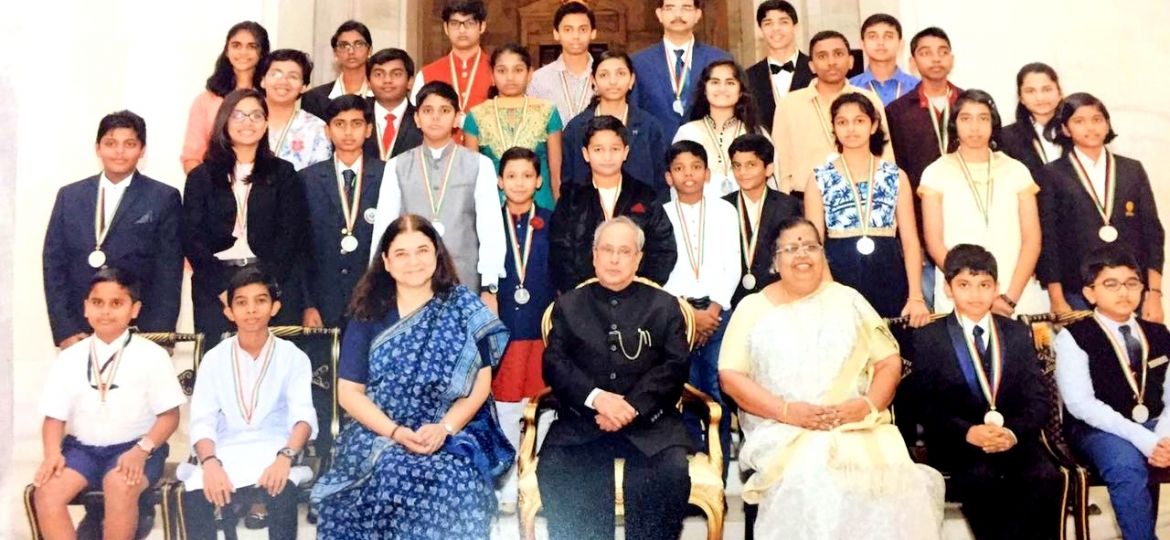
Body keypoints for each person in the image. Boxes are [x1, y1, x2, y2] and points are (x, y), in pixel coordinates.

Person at [719, 216, 944, 539]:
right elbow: (730, 377)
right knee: (816, 475)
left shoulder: (848, 299)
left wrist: (866, 405)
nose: (802, 255)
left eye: (810, 246)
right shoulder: (752, 308)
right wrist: (788, 412)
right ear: (774, 261)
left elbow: (889, 362)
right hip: (783, 427)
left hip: (856, 423)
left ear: (823, 255)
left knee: (895, 478)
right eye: (791, 248)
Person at [311, 215, 514, 539]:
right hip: (380, 429)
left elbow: (481, 384)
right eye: (402, 253)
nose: (413, 262)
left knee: (452, 480)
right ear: (386, 262)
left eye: (422, 250)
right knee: (389, 474)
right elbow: (349, 392)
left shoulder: (464, 308)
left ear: (437, 255)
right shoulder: (368, 314)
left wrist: (444, 429)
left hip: (453, 427)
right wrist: (395, 431)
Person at [538, 217, 693, 540]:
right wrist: (598, 399)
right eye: (606, 250)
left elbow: (675, 366)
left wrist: (633, 406)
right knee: (558, 467)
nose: (614, 259)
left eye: (624, 251)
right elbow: (555, 363)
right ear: (593, 255)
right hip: (583, 424)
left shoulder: (665, 307)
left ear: (639, 258)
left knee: (670, 471)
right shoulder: (567, 306)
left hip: (652, 424)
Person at [909, 244, 1064, 540]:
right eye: (964, 285)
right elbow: (923, 404)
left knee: (1046, 478)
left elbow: (1038, 399)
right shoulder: (930, 338)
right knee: (983, 480)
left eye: (984, 285)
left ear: (997, 288)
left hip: (1013, 439)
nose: (975, 294)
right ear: (948, 288)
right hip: (960, 443)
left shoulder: (1017, 333)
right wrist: (968, 432)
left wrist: (1013, 433)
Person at [32, 268, 185, 540]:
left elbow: (170, 416)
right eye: (97, 303)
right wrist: (52, 453)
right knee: (47, 492)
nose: (105, 311)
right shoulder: (69, 358)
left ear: (134, 309)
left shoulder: (152, 355)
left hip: (136, 447)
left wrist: (142, 450)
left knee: (120, 484)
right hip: (81, 450)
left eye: (117, 303)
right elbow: (54, 417)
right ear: (86, 308)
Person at [181, 268, 317, 540]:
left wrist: (285, 458)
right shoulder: (214, 358)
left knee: (282, 488)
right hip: (226, 448)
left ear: (275, 307)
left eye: (260, 300)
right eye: (241, 302)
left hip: (276, 447)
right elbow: (202, 419)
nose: (251, 310)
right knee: (196, 491)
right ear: (229, 312)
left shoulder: (294, 356)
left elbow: (303, 416)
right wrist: (209, 463)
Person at [1055, 247, 1170, 540]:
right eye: (1111, 284)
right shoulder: (1075, 336)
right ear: (1090, 293)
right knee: (1127, 467)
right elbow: (1081, 404)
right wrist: (1143, 438)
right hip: (1098, 429)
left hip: (1157, 425)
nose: (1124, 292)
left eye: (1132, 283)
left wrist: (1164, 437)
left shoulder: (1158, 333)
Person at [44, 111, 183, 349]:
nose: (119, 152)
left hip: (139, 328)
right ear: (98, 148)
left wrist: (159, 336)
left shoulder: (163, 197)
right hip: (80, 327)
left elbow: (168, 272)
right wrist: (65, 329)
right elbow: (54, 264)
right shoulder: (70, 196)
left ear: (142, 150)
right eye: (111, 143)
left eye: (129, 144)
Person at [182, 88, 309, 349]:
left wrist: (264, 288)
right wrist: (222, 289)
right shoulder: (202, 176)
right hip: (215, 286)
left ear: (265, 124)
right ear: (224, 122)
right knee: (220, 368)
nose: (247, 122)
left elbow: (292, 235)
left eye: (255, 115)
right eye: (238, 115)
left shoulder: (283, 173)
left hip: (269, 283)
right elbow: (192, 239)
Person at [370, 81, 506, 306]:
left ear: (456, 119)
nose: (435, 118)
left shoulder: (479, 164)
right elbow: (383, 229)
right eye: (427, 111)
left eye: (444, 111)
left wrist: (489, 286)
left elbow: (490, 230)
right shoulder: (396, 166)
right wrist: (378, 282)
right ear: (416, 119)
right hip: (408, 284)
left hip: (465, 282)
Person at [920, 89, 1047, 316]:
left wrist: (1008, 298)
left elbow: (1032, 240)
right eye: (966, 119)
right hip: (959, 296)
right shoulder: (936, 172)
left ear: (993, 123)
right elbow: (934, 243)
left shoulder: (1016, 170)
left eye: (983, 118)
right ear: (954, 124)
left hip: (1015, 295)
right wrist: (971, 291)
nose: (975, 127)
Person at [1038, 93, 1164, 320]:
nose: (1090, 127)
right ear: (1066, 129)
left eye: (1097, 119)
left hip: (1131, 288)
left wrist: (1154, 293)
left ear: (1107, 125)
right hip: (1077, 290)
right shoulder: (1053, 173)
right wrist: (1056, 297)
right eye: (1079, 121)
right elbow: (1049, 239)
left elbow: (1153, 233)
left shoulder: (1132, 169)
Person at [805, 93, 928, 323]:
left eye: (859, 120)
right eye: (842, 122)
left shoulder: (895, 176)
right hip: (839, 274)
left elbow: (910, 241)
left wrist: (916, 296)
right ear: (834, 128)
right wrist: (828, 288)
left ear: (873, 126)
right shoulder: (818, 178)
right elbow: (815, 243)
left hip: (889, 273)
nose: (851, 129)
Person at [661, 141, 740, 479]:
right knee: (685, 390)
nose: (688, 174)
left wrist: (714, 307)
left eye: (695, 166)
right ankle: (692, 478)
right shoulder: (660, 215)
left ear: (707, 173)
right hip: (677, 317)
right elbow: (657, 269)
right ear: (668, 176)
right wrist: (686, 312)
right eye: (679, 168)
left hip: (720, 313)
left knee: (717, 388)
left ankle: (718, 475)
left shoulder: (725, 211)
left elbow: (733, 264)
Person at [491, 147, 556, 510]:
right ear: (500, 182)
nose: (519, 183)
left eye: (527, 175)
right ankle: (508, 476)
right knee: (505, 405)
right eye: (511, 176)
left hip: (541, 327)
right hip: (505, 329)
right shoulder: (488, 220)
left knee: (540, 404)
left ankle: (534, 475)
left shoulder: (551, 220)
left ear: (539, 180)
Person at [549, 115, 677, 292]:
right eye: (598, 149)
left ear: (625, 152)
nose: (607, 157)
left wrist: (637, 289)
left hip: (636, 298)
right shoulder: (571, 199)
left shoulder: (644, 196)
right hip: (584, 300)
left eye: (614, 149)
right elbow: (559, 253)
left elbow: (663, 248)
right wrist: (582, 294)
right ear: (586, 154)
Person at [771, 30, 889, 196]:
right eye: (822, 56)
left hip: (861, 197)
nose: (831, 62)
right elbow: (780, 162)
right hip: (803, 198)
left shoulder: (869, 99)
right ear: (811, 65)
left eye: (838, 54)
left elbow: (885, 153)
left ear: (850, 61)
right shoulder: (789, 104)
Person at [464, 43, 564, 208]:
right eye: (502, 71)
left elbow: (556, 175)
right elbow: (471, 176)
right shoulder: (476, 116)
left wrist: (560, 213)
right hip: (493, 207)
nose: (510, 77)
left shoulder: (548, 111)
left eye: (518, 70)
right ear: (492, 75)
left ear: (530, 73)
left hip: (541, 205)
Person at [561, 50, 668, 193]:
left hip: (640, 212)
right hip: (588, 213)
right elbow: (568, 185)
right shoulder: (576, 128)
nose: (613, 81)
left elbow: (661, 185)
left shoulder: (649, 126)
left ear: (631, 80)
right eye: (604, 75)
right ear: (593, 81)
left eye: (621, 74)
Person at [631, 0, 732, 142]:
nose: (678, 14)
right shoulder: (639, 63)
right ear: (659, 14)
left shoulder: (719, 59)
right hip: (656, 154)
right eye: (670, 8)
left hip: (708, 152)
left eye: (686, 8)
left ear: (698, 14)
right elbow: (634, 116)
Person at [182, 21, 270, 174]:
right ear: (227, 51)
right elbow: (191, 158)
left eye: (252, 46)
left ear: (262, 52)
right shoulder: (206, 101)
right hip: (216, 187)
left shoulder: (271, 97)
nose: (243, 52)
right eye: (236, 45)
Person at [725, 133, 801, 308]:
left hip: (778, 299)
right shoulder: (723, 206)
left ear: (769, 169)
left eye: (751, 165)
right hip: (732, 301)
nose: (742, 173)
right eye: (737, 166)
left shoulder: (788, 206)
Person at [885, 26, 962, 198]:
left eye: (943, 52)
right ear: (912, 63)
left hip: (967, 200)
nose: (936, 59)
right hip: (919, 201)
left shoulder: (970, 104)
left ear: (952, 59)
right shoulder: (897, 111)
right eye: (926, 53)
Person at [674, 59, 768, 197]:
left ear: (741, 91)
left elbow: (772, 187)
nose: (722, 89)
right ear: (704, 89)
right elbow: (677, 185)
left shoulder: (756, 133)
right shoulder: (687, 133)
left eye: (730, 83)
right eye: (715, 82)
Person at [411, 0, 493, 143]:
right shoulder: (426, 74)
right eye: (455, 24)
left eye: (470, 23)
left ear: (482, 26)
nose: (462, 30)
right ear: (446, 28)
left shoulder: (497, 71)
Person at [746, 1, 813, 132]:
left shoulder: (815, 69)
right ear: (760, 31)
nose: (776, 28)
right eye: (768, 23)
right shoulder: (748, 76)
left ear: (796, 27)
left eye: (783, 22)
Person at [527, 1, 597, 126]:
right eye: (568, 29)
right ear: (556, 33)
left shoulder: (604, 76)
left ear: (593, 33)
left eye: (583, 29)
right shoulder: (538, 80)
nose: (575, 36)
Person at [261, 49, 332, 171]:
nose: (283, 81)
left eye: (293, 76)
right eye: (276, 74)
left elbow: (318, 180)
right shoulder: (246, 120)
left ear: (304, 87)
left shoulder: (316, 128)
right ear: (262, 80)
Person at [1000, 63, 1064, 181]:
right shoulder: (1006, 138)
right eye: (1030, 91)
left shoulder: (1075, 132)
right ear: (1021, 98)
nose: (1040, 97)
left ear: (1059, 92)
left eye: (1047, 89)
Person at [302, 20, 375, 120]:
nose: (351, 51)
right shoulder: (314, 97)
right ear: (335, 53)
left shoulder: (381, 94)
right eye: (344, 45)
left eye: (358, 44)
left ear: (369, 50)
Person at [362, 48, 423, 161]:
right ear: (368, 82)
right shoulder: (357, 116)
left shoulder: (423, 120)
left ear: (410, 82)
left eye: (396, 74)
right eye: (379, 74)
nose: (387, 80)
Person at [848, 13, 919, 106]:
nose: (880, 42)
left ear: (901, 44)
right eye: (872, 36)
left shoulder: (917, 87)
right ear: (862, 44)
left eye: (888, 36)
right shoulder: (850, 88)